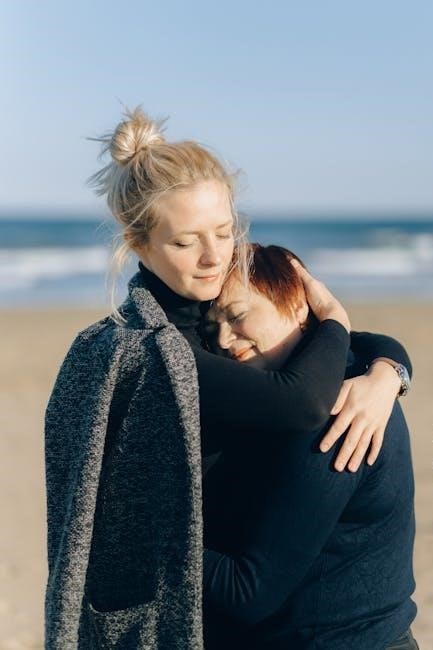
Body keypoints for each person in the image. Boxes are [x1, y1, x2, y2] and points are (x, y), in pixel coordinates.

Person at [44, 107, 413, 649]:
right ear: (139, 244)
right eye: (185, 242)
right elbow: (300, 403)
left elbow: (314, 353)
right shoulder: (151, 351)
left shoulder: (212, 310)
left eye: (224, 232)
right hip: (169, 615)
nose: (214, 257)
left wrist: (388, 369)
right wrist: (334, 318)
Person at [202, 243, 418, 649]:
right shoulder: (290, 390)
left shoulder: (338, 411)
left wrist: (147, 536)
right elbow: (358, 342)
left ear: (299, 305)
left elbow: (248, 592)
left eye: (238, 315)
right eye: (214, 328)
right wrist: (391, 364)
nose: (225, 340)